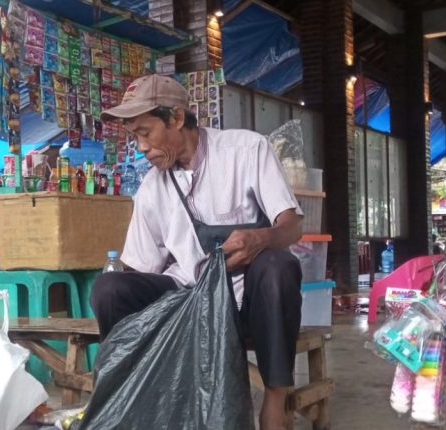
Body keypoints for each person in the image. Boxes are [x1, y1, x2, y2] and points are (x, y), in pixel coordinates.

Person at [91, 74, 304, 430]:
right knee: (109, 289)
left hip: (245, 303)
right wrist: (117, 279)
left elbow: (293, 226)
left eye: (146, 132)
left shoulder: (246, 150)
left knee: (278, 265)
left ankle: (274, 402)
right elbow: (138, 264)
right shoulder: (151, 187)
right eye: (134, 137)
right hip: (187, 300)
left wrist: (260, 239)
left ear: (176, 118)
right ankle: (135, 400)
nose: (141, 147)